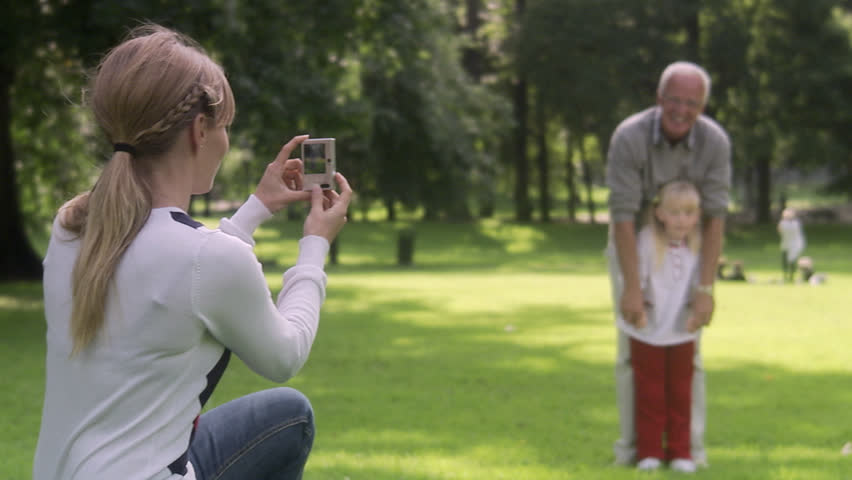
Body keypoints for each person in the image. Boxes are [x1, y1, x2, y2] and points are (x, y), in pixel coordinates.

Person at [33, 24, 352, 480]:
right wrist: (316, 242)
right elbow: (285, 356)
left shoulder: (72, 225)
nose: (225, 141)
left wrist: (255, 210)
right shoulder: (206, 259)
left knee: (285, 413)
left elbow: (183, 268)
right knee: (291, 413)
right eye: (225, 127)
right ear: (200, 130)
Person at [606, 60, 731, 467]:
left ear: (703, 106)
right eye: (674, 100)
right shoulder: (629, 136)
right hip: (635, 246)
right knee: (633, 350)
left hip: (689, 248)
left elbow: (714, 218)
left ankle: (685, 450)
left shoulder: (715, 142)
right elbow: (622, 215)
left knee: (687, 353)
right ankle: (636, 450)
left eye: (691, 103)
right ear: (659, 99)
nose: (681, 110)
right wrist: (632, 287)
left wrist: (706, 290)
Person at [617, 181, 704, 473]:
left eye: (688, 213)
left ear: (697, 216)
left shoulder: (697, 246)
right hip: (647, 331)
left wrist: (695, 314)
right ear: (660, 213)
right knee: (650, 393)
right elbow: (636, 280)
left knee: (681, 392)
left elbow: (698, 287)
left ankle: (680, 452)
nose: (681, 219)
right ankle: (650, 452)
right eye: (675, 212)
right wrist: (639, 310)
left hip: (682, 331)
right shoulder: (646, 241)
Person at [777, 207, 806, 282]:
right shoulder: (783, 223)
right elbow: (780, 232)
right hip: (786, 243)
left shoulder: (795, 223)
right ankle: (785, 276)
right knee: (785, 260)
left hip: (794, 243)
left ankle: (791, 277)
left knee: (791, 261)